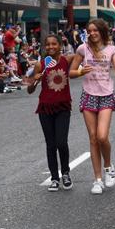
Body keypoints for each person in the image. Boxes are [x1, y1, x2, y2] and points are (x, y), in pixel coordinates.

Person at [69, 18, 115, 194]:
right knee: (93, 138)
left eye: (95, 30)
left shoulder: (111, 49)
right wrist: (80, 71)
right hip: (89, 95)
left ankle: (109, 168)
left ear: (102, 31)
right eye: (90, 30)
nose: (92, 33)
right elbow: (71, 73)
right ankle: (97, 179)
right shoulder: (82, 49)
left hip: (106, 95)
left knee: (102, 136)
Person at [29, 35, 74, 192]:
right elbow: (30, 89)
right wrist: (35, 80)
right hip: (45, 108)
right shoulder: (40, 65)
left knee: (61, 142)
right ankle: (54, 178)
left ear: (59, 45)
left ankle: (66, 173)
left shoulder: (66, 61)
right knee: (51, 144)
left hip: (62, 107)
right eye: (47, 44)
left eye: (54, 44)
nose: (50, 47)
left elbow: (83, 54)